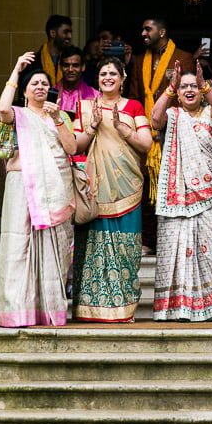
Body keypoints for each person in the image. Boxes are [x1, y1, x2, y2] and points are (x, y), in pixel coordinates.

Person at [0, 55, 78, 327]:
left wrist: (57, 119)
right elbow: (2, 108)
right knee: (20, 245)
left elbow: (72, 148)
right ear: (25, 89)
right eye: (35, 83)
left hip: (55, 189)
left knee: (52, 248)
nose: (41, 87)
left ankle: (50, 311)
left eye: (44, 83)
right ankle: (18, 311)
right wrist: (16, 70)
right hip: (22, 185)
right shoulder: (18, 114)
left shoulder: (60, 116)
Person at [71, 57, 152, 322]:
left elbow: (146, 144)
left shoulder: (133, 106)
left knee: (126, 247)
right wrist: (93, 125)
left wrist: (123, 129)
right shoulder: (85, 108)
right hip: (96, 186)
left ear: (122, 77)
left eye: (113, 73)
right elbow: (75, 146)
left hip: (127, 184)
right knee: (94, 244)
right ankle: (90, 309)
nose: (108, 77)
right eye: (103, 73)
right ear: (97, 78)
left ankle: (123, 308)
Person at [150, 62, 212, 321]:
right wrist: (169, 88)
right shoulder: (173, 116)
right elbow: (155, 118)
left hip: (211, 195)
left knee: (211, 249)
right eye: (184, 87)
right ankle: (179, 308)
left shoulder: (210, 113)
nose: (189, 90)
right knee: (178, 250)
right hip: (177, 198)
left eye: (194, 86)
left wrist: (205, 84)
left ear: (203, 89)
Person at [125, 17, 200, 252]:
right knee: (147, 184)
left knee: (175, 183)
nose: (143, 33)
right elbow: (135, 96)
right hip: (146, 131)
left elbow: (190, 93)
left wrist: (167, 125)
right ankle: (148, 239)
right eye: (142, 28)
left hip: (175, 130)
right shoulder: (138, 60)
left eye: (148, 28)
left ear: (162, 31)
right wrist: (143, 127)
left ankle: (173, 240)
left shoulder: (185, 57)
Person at [56, 46, 99, 117]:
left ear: (83, 67)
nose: (70, 69)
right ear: (60, 67)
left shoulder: (96, 96)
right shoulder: (50, 95)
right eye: (66, 65)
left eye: (75, 65)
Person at [38, 14, 73, 85]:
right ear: (53, 33)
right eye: (66, 32)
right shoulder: (34, 61)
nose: (70, 36)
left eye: (70, 33)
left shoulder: (72, 60)